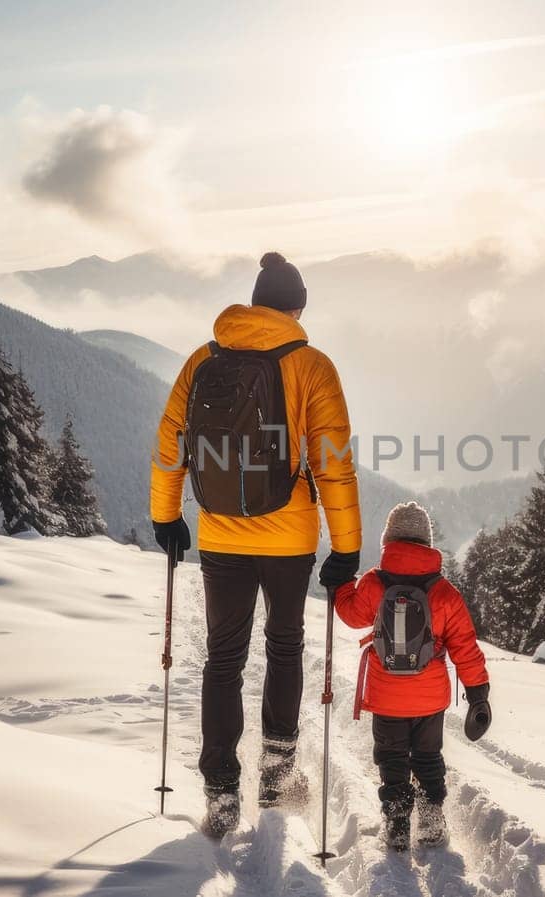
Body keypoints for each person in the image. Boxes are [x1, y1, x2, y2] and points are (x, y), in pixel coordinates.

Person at [149, 251, 362, 838]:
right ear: (295, 309)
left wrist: (166, 517)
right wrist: (345, 549)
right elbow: (334, 465)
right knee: (285, 646)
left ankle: (221, 790)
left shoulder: (202, 359)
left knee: (224, 658)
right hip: (289, 535)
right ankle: (276, 771)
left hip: (219, 530)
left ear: (252, 302)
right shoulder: (311, 365)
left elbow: (171, 442)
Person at [333, 501, 491, 851]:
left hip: (387, 696)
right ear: (427, 543)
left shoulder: (375, 582)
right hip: (429, 698)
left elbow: (350, 614)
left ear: (389, 540)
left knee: (392, 761)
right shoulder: (444, 592)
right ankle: (432, 819)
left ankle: (397, 822)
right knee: (428, 758)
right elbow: (465, 647)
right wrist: (478, 693)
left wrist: (341, 584)